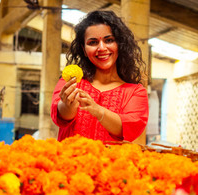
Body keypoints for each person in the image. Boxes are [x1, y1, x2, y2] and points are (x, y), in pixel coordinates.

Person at [51, 10, 149, 142]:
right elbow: (61, 116)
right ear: (84, 49)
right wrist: (68, 106)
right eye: (93, 42)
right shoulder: (71, 83)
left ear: (120, 45)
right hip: (68, 161)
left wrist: (98, 110)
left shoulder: (135, 92)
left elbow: (129, 128)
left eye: (109, 40)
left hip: (110, 162)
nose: (102, 48)